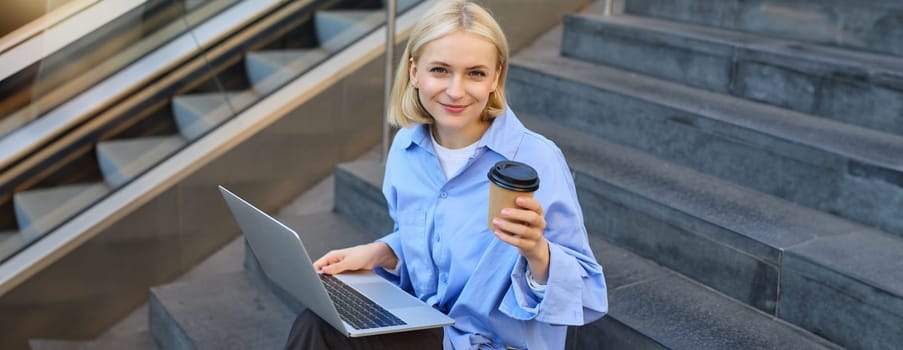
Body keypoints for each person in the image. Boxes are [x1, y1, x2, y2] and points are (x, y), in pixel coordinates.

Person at [284, 1, 607, 349]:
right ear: (413, 72)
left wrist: (538, 253)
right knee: (319, 321)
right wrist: (380, 252)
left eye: (475, 73)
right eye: (439, 70)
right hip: (429, 326)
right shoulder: (407, 148)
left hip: (491, 343)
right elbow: (435, 246)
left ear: (496, 76)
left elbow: (589, 294)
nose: (456, 91)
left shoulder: (536, 160)